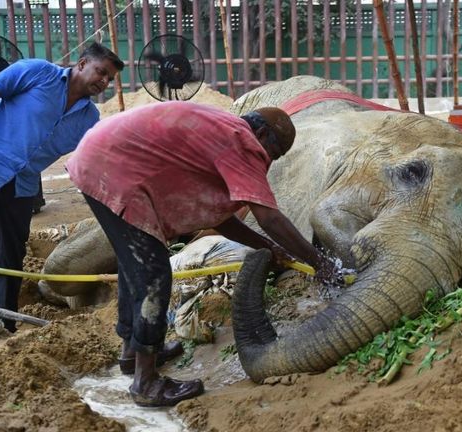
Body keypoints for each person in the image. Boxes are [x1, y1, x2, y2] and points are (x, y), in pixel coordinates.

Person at [65, 102, 338, 407]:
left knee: (134, 266)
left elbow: (219, 218)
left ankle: (133, 353)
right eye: (272, 154)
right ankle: (146, 383)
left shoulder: (223, 132)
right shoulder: (242, 141)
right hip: (114, 169)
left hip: (99, 155)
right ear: (261, 133)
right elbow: (270, 218)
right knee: (153, 274)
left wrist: (267, 247)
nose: (267, 163)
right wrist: (319, 262)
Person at [0, 42, 124, 353]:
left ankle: (5, 319)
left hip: (20, 182)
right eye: (101, 72)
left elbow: (96, 159)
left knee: (13, 247)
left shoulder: (89, 118)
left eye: (109, 78)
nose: (104, 82)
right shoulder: (37, 72)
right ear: (82, 63)